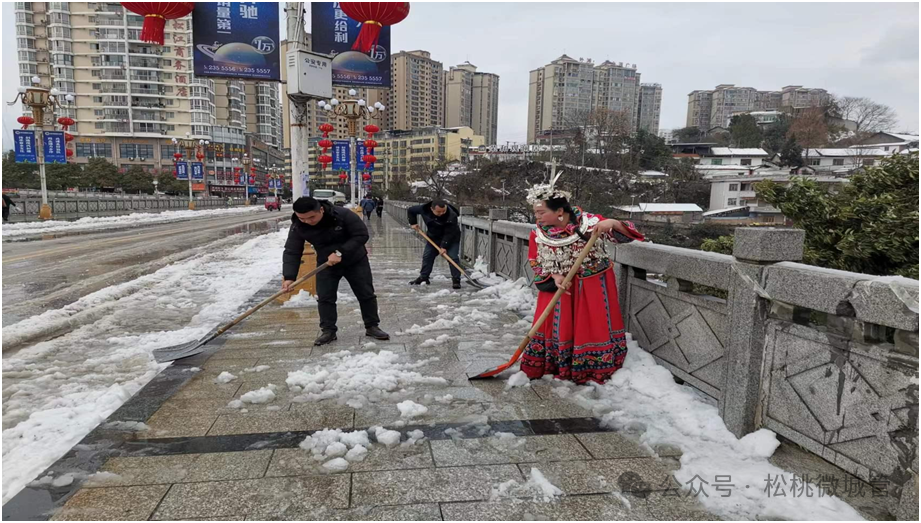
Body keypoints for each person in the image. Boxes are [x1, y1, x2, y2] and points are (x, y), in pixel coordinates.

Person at [522, 174, 644, 385]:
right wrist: (555, 275)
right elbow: (535, 259)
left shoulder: (590, 224)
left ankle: (592, 366)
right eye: (535, 213)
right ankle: (558, 363)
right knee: (557, 326)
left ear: (560, 211)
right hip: (561, 287)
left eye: (541, 212)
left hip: (592, 284)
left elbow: (627, 237)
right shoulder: (538, 234)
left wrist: (612, 222)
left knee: (591, 323)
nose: (537, 217)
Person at [282, 197, 390, 345]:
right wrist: (289, 277)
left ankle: (372, 326)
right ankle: (328, 330)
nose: (308, 221)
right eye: (302, 218)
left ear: (320, 209)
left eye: (311, 217)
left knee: (366, 294)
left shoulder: (343, 215)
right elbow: (292, 250)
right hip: (326, 264)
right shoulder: (298, 225)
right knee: (325, 297)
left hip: (355, 260)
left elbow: (361, 235)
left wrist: (340, 252)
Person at [407, 199, 462, 290]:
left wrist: (444, 246)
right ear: (431, 209)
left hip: (451, 238)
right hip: (433, 238)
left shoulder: (451, 215)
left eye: (444, 210)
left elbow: (450, 233)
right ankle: (424, 277)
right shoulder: (424, 209)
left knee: (453, 258)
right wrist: (413, 223)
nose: (442, 213)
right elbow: (411, 210)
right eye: (439, 212)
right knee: (427, 256)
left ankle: (456, 280)